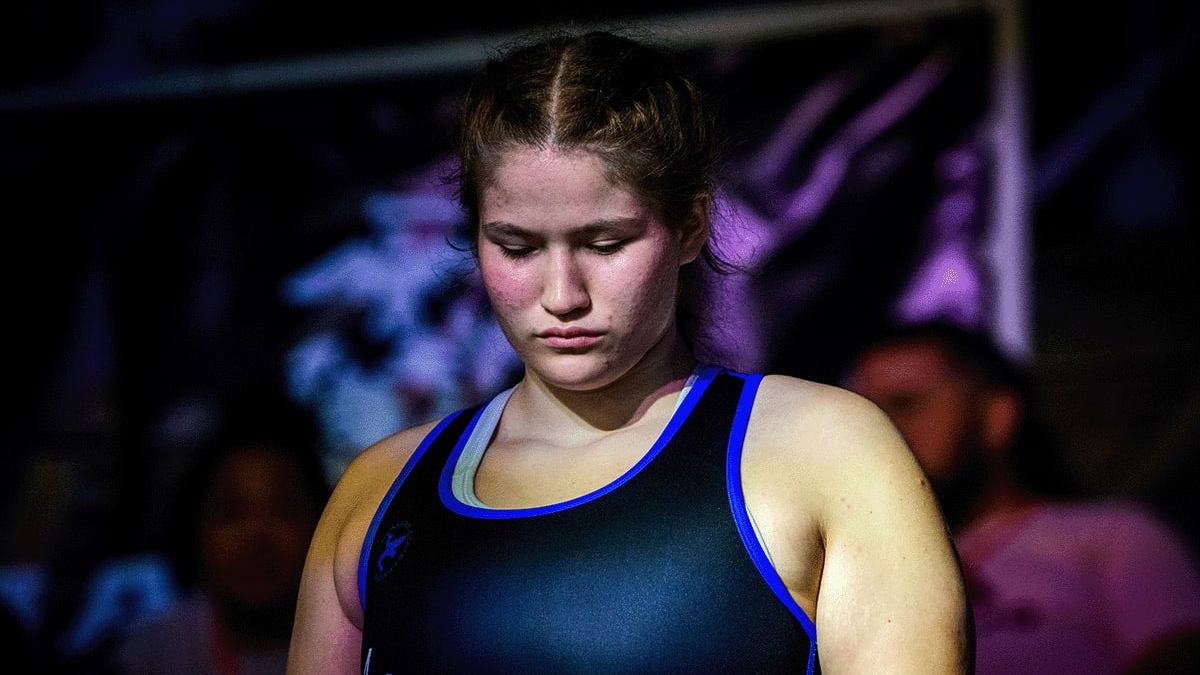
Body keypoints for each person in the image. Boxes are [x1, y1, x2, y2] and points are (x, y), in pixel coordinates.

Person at [288, 29, 971, 674]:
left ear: (691, 227)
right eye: (517, 247)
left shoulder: (825, 452)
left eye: (605, 243)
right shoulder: (379, 491)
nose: (563, 293)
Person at [844, 319, 1200, 675]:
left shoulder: (1112, 534)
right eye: (866, 415)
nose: (881, 431)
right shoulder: (851, 575)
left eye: (906, 405)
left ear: (996, 415)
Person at [117, 405, 330, 675]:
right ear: (195, 528)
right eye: (231, 512)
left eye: (285, 509)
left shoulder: (360, 651)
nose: (258, 535)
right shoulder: (151, 654)